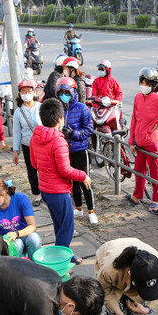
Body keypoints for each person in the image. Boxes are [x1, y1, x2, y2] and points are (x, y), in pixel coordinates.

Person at [29, 98, 90, 253]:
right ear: (60, 119)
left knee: (59, 225)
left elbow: (34, 164)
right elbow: (65, 170)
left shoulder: (35, 137)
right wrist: (83, 176)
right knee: (67, 227)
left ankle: (66, 255)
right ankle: (60, 260)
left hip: (45, 189)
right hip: (58, 191)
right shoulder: (58, 140)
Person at [128, 67, 158, 211]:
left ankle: (156, 200)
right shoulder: (138, 97)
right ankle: (137, 195)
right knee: (138, 170)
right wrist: (131, 140)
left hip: (153, 144)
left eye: (147, 83)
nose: (144, 86)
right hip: (139, 143)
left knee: (155, 175)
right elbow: (134, 120)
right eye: (142, 82)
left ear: (153, 85)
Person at [57, 76, 96, 224]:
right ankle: (78, 208)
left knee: (84, 181)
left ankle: (91, 210)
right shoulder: (58, 108)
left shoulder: (81, 108)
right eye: (60, 92)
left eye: (66, 92)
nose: (64, 95)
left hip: (80, 149)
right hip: (65, 151)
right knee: (72, 181)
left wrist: (74, 134)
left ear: (73, 92)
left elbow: (89, 129)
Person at [0, 177, 42, 259]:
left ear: (4, 193)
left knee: (34, 238)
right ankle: (18, 267)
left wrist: (16, 234)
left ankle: (35, 264)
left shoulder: (21, 199)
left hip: (24, 235)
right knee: (17, 243)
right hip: (6, 240)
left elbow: (32, 226)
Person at [12, 79, 42, 200]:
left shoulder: (40, 107)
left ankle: (47, 192)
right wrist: (15, 150)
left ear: (34, 92)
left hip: (42, 144)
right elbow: (17, 132)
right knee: (31, 170)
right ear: (20, 94)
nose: (26, 93)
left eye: (29, 90)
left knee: (44, 169)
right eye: (23, 91)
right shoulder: (18, 112)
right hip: (27, 145)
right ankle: (36, 194)